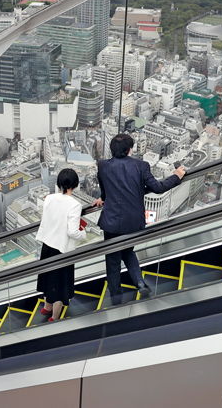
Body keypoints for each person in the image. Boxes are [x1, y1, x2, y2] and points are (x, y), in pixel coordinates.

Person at [93, 134, 186, 305]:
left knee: (113, 261)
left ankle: (116, 300)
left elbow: (105, 187)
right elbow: (157, 188)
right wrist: (176, 176)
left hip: (111, 222)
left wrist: (103, 198)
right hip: (132, 222)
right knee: (127, 251)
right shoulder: (141, 166)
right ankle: (140, 283)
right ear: (130, 150)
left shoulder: (103, 165)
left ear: (111, 149)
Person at [35, 168, 87, 322]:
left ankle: (47, 307)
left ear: (58, 183)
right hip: (62, 249)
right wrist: (83, 234)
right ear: (75, 185)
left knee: (47, 278)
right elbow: (73, 232)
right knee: (58, 284)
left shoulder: (49, 198)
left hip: (47, 245)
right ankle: (55, 317)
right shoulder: (75, 205)